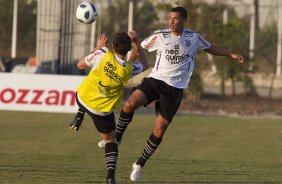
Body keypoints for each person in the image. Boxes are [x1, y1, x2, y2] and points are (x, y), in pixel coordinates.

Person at [98, 6, 244, 181]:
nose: (171, 22)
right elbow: (138, 48)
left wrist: (230, 54)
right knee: (129, 105)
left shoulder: (193, 38)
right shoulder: (160, 36)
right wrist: (127, 66)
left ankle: (139, 164)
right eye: (169, 18)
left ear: (183, 20)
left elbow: (210, 47)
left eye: (175, 19)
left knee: (159, 130)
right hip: (156, 80)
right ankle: (118, 138)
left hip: (175, 89)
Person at [69, 31, 148, 184]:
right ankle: (110, 176)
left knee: (91, 77)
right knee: (110, 140)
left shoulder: (103, 53)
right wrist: (137, 44)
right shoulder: (128, 69)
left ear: (112, 46)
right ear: (128, 50)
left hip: (83, 98)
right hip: (101, 111)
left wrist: (97, 48)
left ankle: (80, 114)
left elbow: (79, 65)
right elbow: (145, 65)